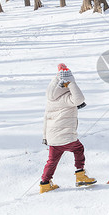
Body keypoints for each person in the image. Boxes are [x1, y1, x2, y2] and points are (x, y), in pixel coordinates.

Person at [39, 64, 96, 193]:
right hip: (66, 136)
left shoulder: (50, 100)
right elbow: (79, 98)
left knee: (52, 161)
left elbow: (45, 119)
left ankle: (45, 183)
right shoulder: (66, 98)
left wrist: (45, 137)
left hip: (53, 139)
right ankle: (80, 175)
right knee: (79, 149)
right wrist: (71, 83)